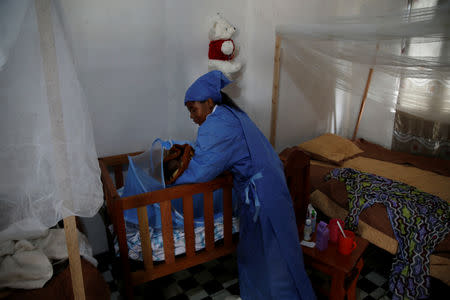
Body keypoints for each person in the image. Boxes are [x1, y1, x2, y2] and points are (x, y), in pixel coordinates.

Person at [175, 70, 316, 300]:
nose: (191, 116)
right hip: (266, 186)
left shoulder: (217, 124)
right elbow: (211, 153)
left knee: (274, 256)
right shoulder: (228, 114)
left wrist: (169, 180)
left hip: (264, 192)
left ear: (209, 103)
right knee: (263, 251)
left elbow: (201, 171)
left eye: (193, 109)